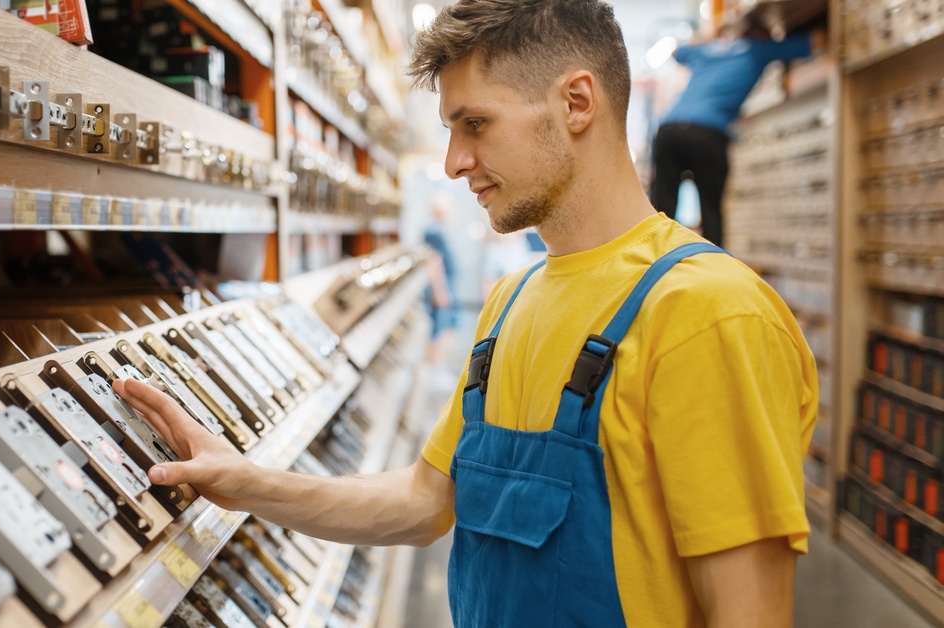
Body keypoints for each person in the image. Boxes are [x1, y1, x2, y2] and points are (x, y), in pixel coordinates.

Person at [112, 1, 818, 626]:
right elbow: (426, 501)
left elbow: (749, 613)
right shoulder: (510, 305)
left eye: (474, 123)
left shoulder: (707, 314)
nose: (454, 161)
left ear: (577, 102)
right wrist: (243, 481)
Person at [650, 23, 821, 246]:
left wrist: (717, 42)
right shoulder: (758, 49)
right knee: (711, 209)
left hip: (668, 130)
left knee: (662, 207)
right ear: (762, 36)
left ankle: (654, 264)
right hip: (706, 132)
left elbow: (678, 53)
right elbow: (814, 40)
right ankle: (713, 271)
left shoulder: (708, 50)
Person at [423, 194, 459, 365]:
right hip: (441, 288)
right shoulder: (433, 232)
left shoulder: (441, 230)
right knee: (438, 330)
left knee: (446, 328)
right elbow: (434, 261)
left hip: (448, 286)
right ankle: (432, 367)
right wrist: (439, 290)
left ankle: (438, 366)